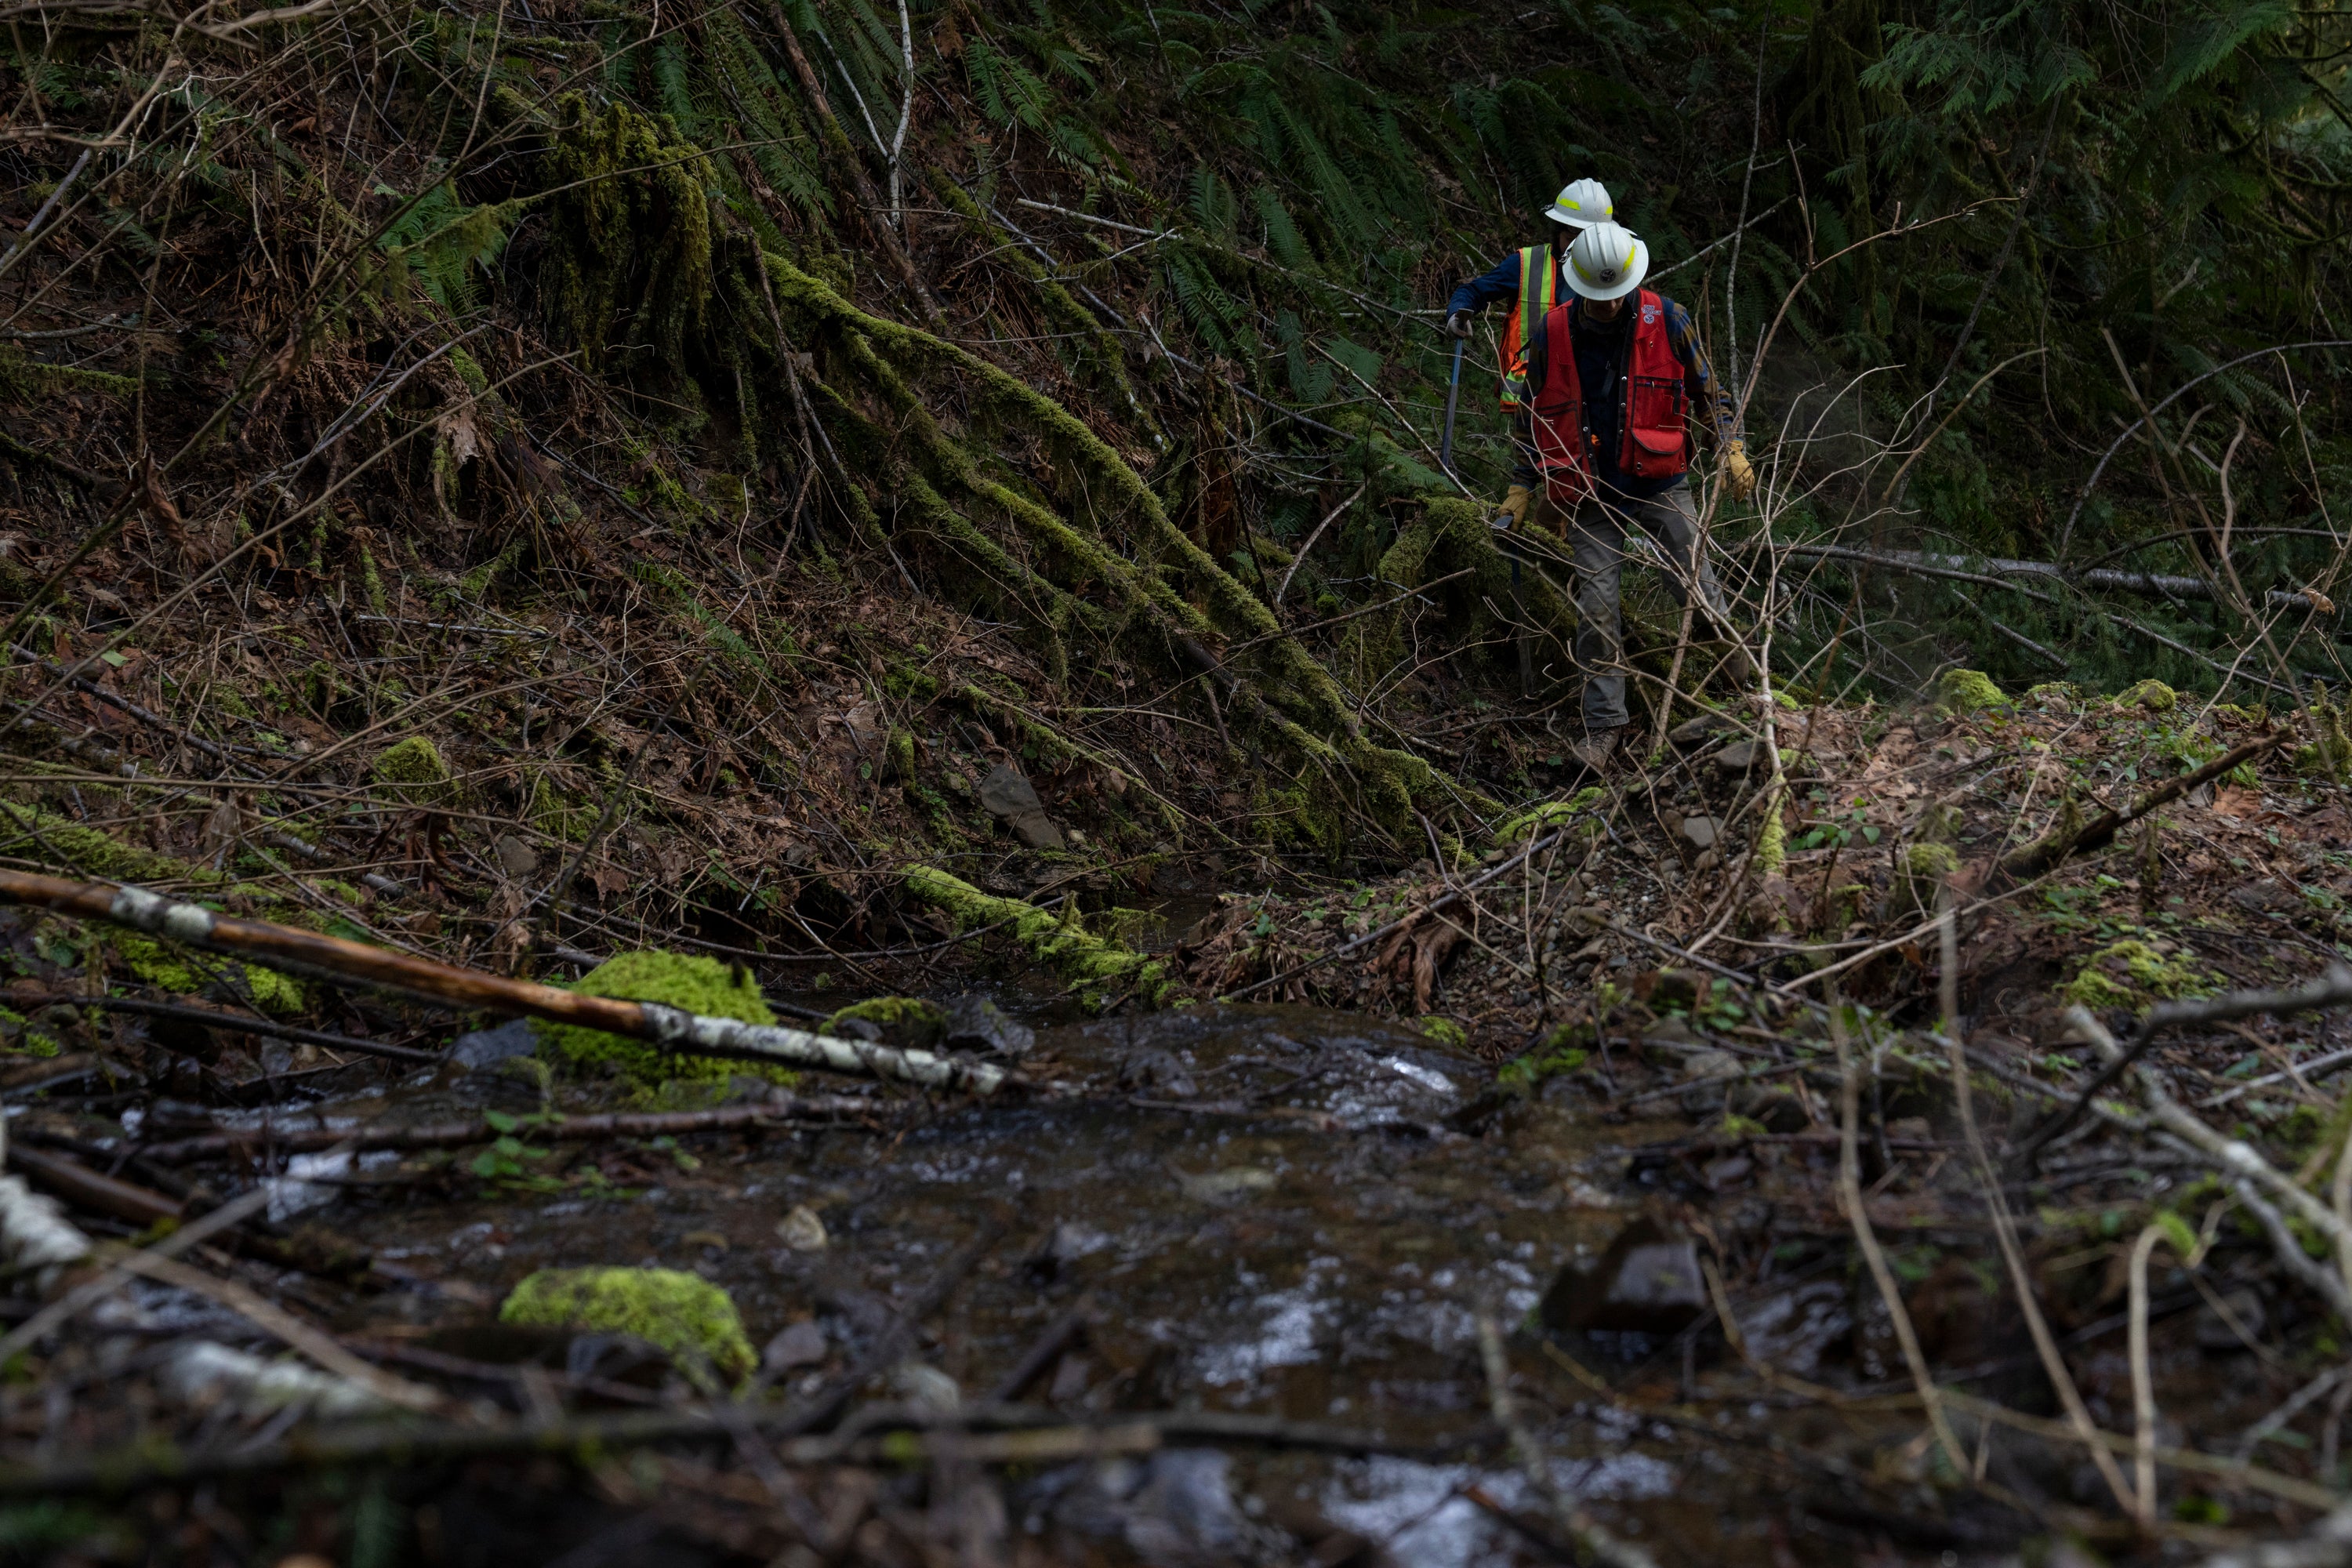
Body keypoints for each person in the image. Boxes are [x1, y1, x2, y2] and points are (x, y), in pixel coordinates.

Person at [1511, 220, 1758, 770]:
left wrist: (1731, 447)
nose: (1609, 305)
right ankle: (1605, 728)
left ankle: (1748, 693)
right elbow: (1532, 417)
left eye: (1617, 295)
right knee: (1596, 611)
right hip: (1588, 494)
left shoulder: (1667, 319)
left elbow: (1708, 391)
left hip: (1659, 482)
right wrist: (1521, 486)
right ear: (1580, 286)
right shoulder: (1552, 333)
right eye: (1600, 297)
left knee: (1698, 591)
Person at [1444, 178, 1615, 413]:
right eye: (1571, 238)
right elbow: (1473, 291)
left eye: (1585, 240)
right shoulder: (1528, 264)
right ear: (1558, 231)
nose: (1577, 248)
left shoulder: (1611, 274)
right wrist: (1457, 314)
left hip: (1591, 400)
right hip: (1532, 401)